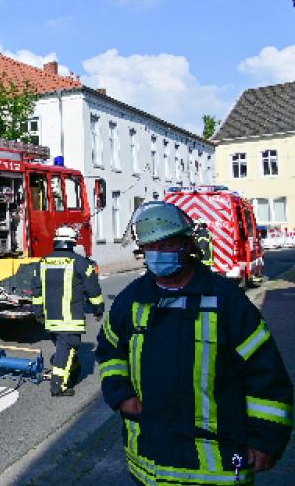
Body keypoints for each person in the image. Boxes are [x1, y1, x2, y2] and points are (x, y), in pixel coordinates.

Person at [96, 202, 293, 485]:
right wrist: (122, 395)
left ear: (187, 244)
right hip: (150, 464)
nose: (158, 254)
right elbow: (111, 350)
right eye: (151, 247)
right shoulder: (131, 299)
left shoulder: (226, 301)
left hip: (219, 467)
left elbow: (266, 373)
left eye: (167, 244)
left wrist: (265, 440)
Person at [31, 225, 104, 397]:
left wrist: (38, 311)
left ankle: (73, 368)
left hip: (51, 319)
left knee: (65, 348)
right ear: (73, 243)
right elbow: (93, 290)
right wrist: (98, 309)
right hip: (70, 319)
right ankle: (58, 386)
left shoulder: (43, 262)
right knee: (67, 348)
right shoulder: (81, 263)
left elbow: (37, 290)